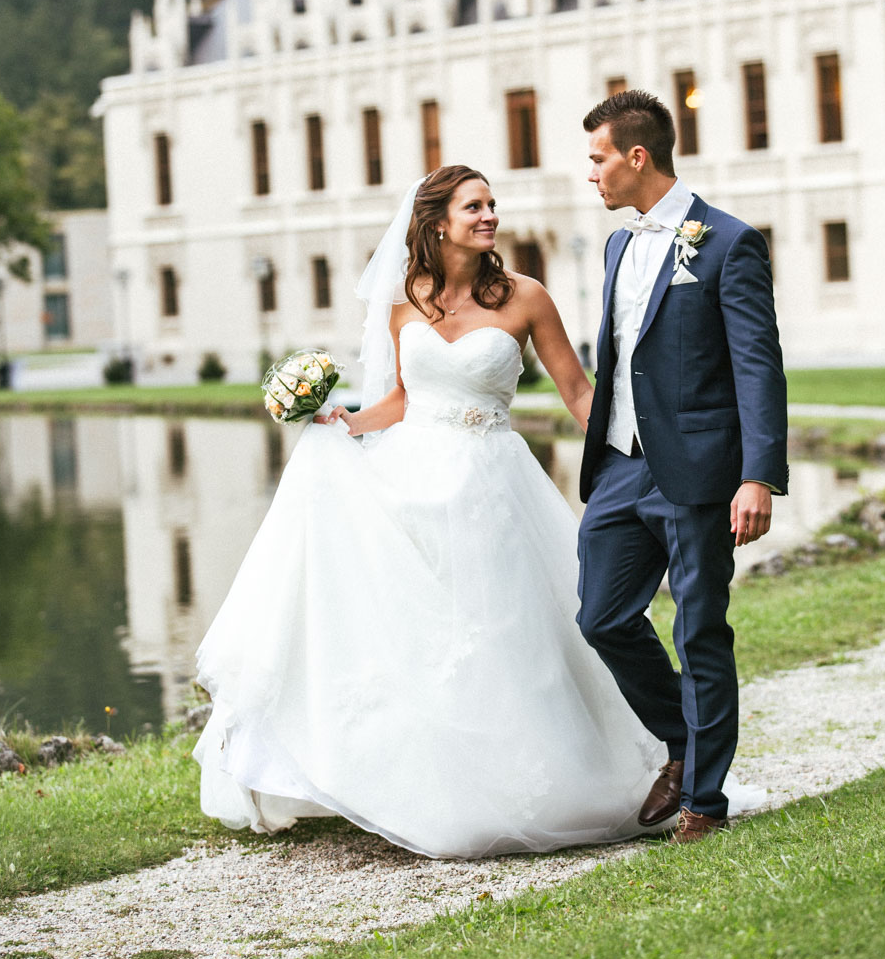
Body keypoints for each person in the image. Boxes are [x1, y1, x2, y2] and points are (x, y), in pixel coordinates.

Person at [194, 164, 760, 858]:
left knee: (514, 628)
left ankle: (596, 769)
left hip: (492, 482)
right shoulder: (404, 303)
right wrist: (349, 422)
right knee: (420, 635)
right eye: (474, 206)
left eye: (492, 204)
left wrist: (641, 459)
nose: (489, 215)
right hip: (412, 478)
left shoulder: (525, 297)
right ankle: (421, 781)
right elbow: (403, 399)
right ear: (437, 224)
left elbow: (580, 392)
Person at [578, 90, 788, 844]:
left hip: (700, 470)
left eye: (598, 158)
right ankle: (683, 740)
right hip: (620, 469)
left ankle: (703, 799)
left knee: (700, 629)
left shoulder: (728, 243)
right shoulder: (616, 246)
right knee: (601, 617)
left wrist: (758, 475)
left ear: (637, 157)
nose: (591, 173)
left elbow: (757, 366)